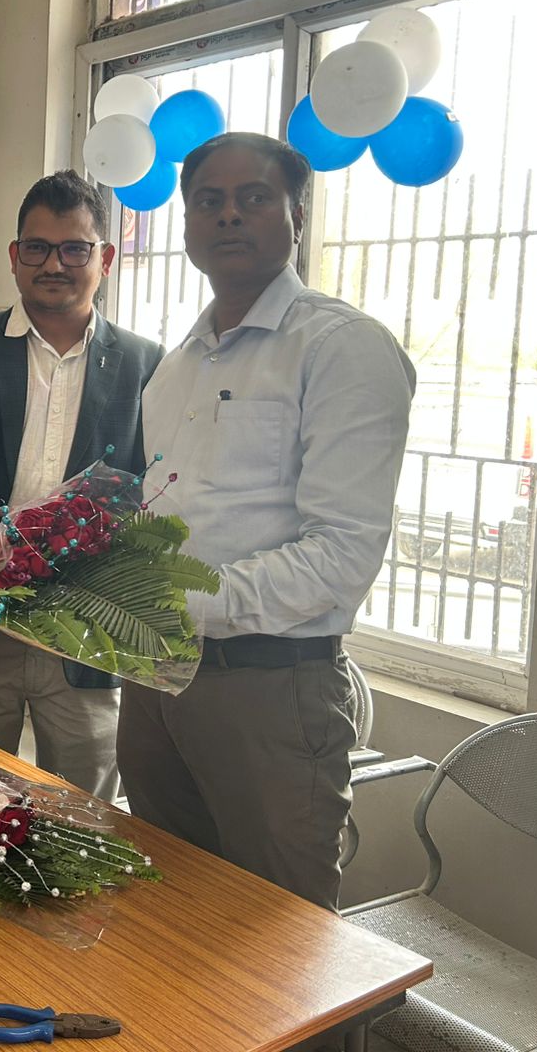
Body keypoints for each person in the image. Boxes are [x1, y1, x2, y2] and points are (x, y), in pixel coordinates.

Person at [123, 132, 416, 910]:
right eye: (208, 201)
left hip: (270, 689)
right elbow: (170, 514)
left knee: (277, 937)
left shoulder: (341, 347)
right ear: (188, 223)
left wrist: (170, 600)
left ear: (296, 216)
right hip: (155, 679)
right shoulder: (177, 365)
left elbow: (342, 555)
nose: (228, 215)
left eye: (253, 198)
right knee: (167, 910)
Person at [0, 170, 163, 801]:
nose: (54, 264)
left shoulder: (147, 364)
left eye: (74, 248)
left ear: (105, 258)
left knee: (83, 814)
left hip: (88, 631)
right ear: (14, 256)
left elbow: (151, 485)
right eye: (38, 247)